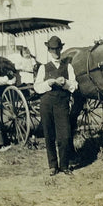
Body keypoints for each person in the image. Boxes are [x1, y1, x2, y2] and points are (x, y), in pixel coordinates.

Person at [34, 36, 78, 176]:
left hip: (62, 104)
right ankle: (53, 165)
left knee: (64, 136)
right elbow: (37, 87)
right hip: (47, 103)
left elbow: (74, 85)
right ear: (48, 50)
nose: (55, 52)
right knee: (49, 135)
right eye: (52, 49)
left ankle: (64, 165)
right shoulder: (43, 67)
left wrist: (65, 82)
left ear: (61, 49)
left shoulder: (68, 66)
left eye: (57, 49)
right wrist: (49, 82)